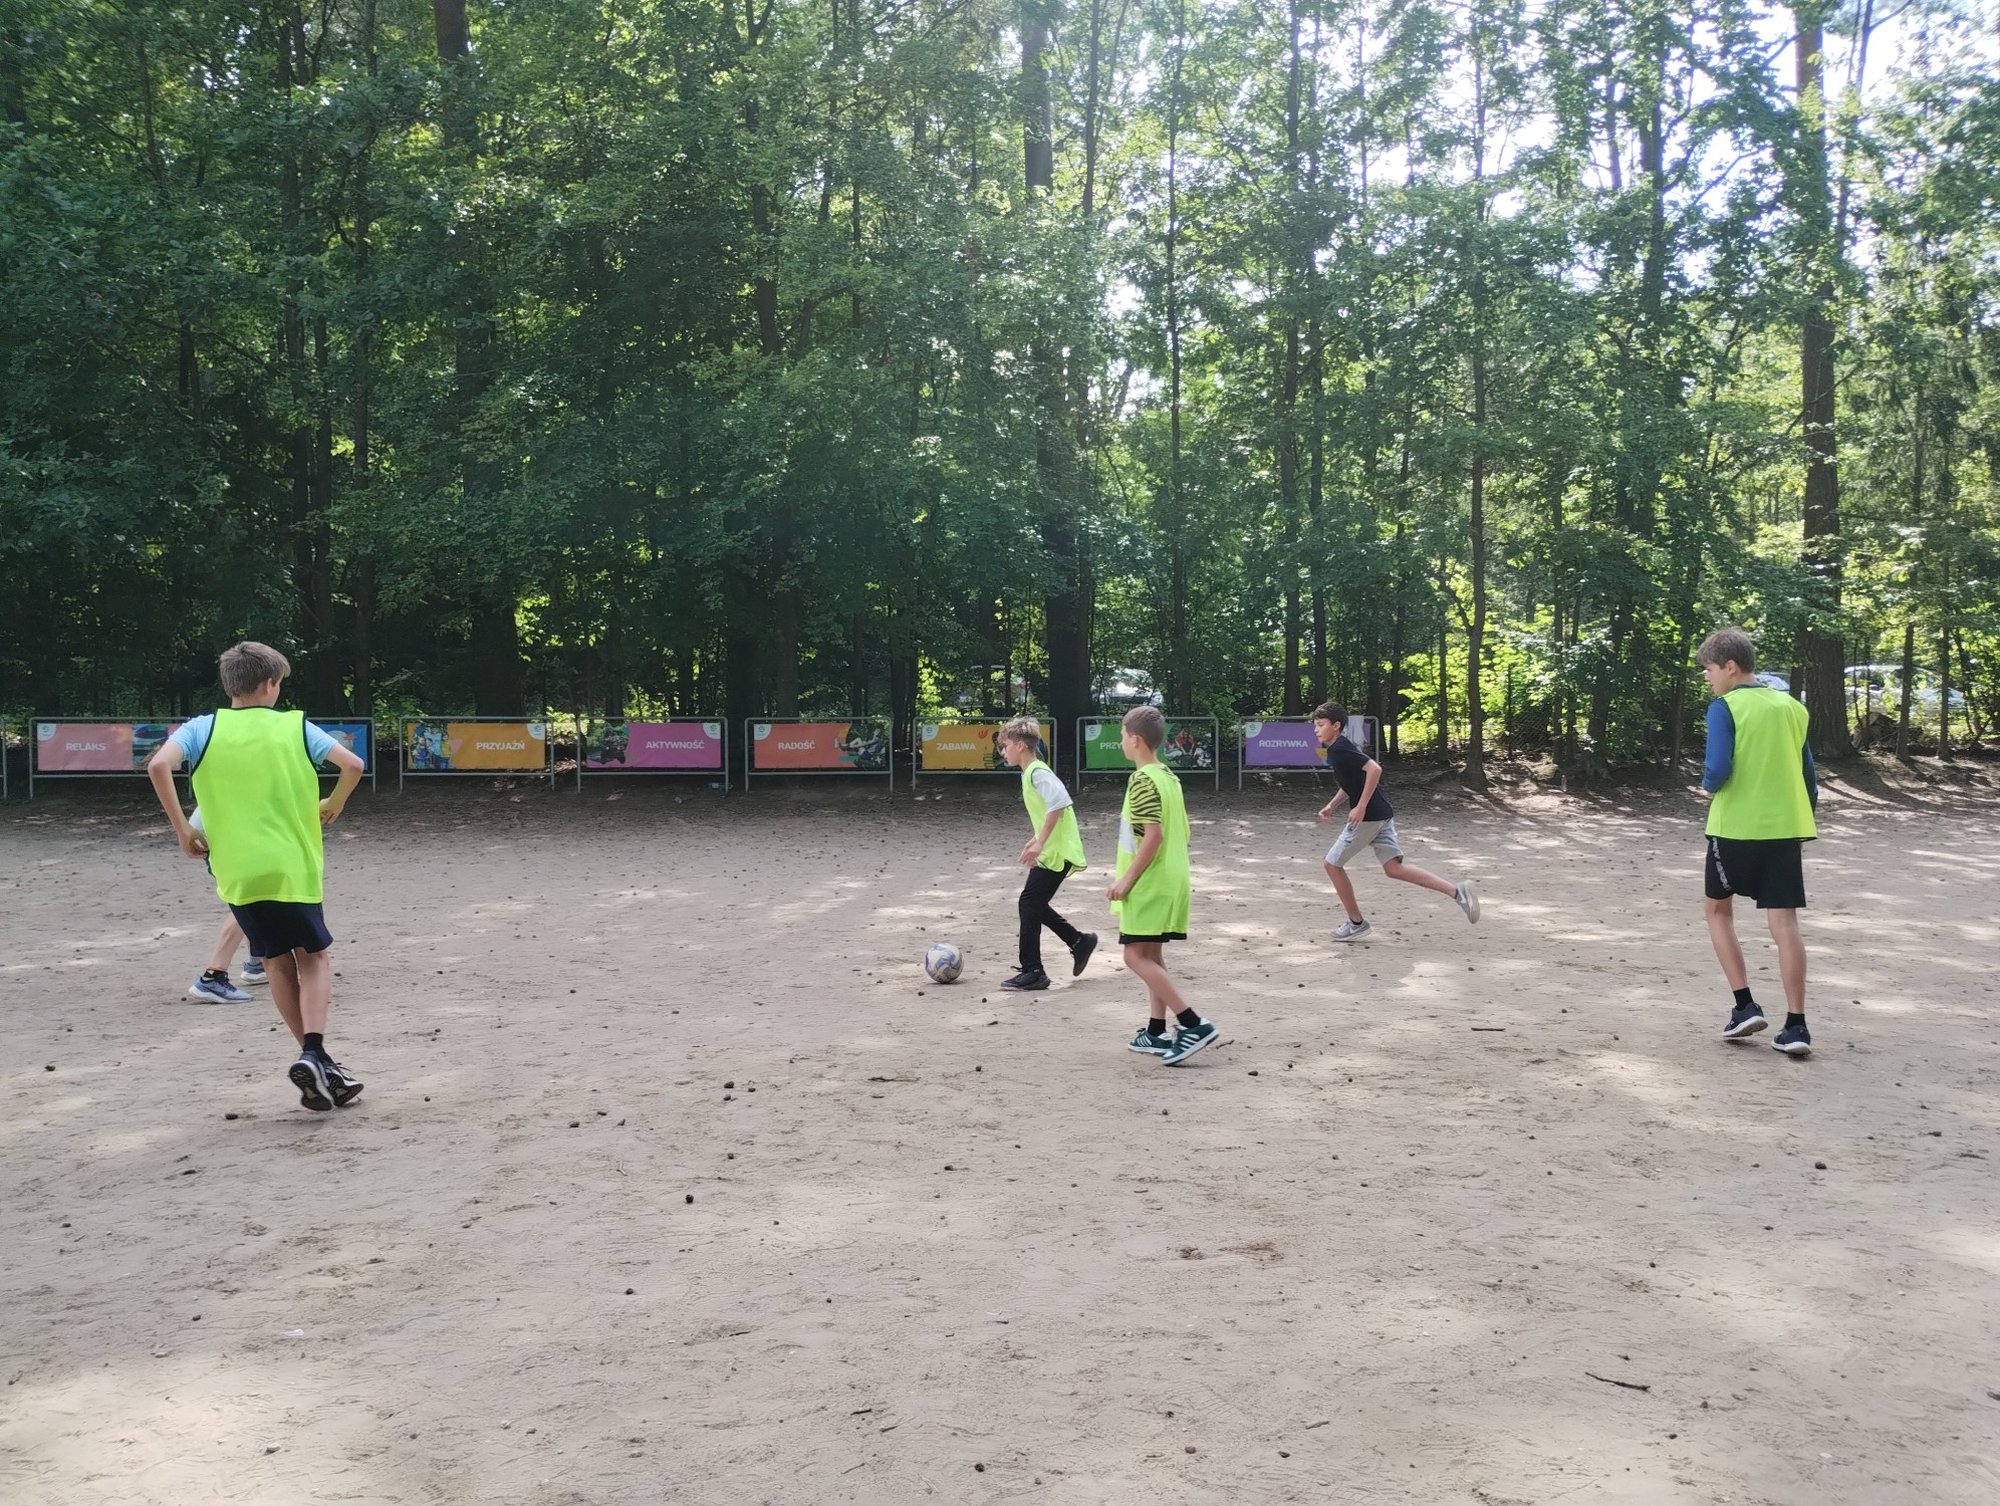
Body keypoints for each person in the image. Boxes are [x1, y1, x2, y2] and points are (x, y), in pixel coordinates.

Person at [147, 641, 368, 1110]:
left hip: (238, 871)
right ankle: (314, 1052)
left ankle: (320, 1064)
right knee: (315, 958)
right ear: (271, 684)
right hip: (291, 866)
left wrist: (184, 829)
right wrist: (334, 802)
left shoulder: (201, 729)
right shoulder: (294, 726)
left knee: (274, 962)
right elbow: (353, 765)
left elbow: (158, 765)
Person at [1697, 628, 1818, 1057]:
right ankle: (1797, 1026)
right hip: (1785, 830)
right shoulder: (1792, 707)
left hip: (1735, 827)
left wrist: (1707, 786)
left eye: (1709, 669)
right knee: (1785, 924)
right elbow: (1809, 779)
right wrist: (1801, 820)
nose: (1707, 677)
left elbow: (1717, 768)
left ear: (1730, 667)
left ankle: (1744, 1005)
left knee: (1717, 911)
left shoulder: (1724, 707)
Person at [1313, 701, 1479, 940]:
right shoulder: (1338, 749)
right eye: (1315, 725)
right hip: (1382, 814)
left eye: (1320, 725)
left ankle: (1356, 923)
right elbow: (1353, 783)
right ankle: (1458, 893)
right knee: (1394, 869)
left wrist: (1361, 806)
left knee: (1331, 865)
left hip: (1369, 818)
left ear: (1336, 725)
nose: (1316, 730)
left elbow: (1374, 770)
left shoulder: (1340, 749)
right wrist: (1332, 805)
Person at [1109, 706, 1217, 1066]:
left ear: (1135, 740)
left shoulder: (1141, 780)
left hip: (1150, 882)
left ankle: (1192, 1024)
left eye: (1122, 736)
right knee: (1152, 956)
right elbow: (1179, 832)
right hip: (1171, 877)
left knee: (1134, 956)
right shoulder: (1168, 776)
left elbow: (1152, 836)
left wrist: (1127, 879)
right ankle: (1156, 1030)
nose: (1121, 742)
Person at [995, 717, 1096, 991]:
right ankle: (1078, 942)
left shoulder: (1037, 772)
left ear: (1020, 746)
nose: (1003, 752)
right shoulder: (1032, 772)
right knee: (1033, 903)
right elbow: (1050, 811)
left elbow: (1060, 802)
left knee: (1029, 903)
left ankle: (1034, 971)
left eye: (1005, 746)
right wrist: (1035, 839)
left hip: (1057, 852)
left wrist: (1041, 842)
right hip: (1054, 850)